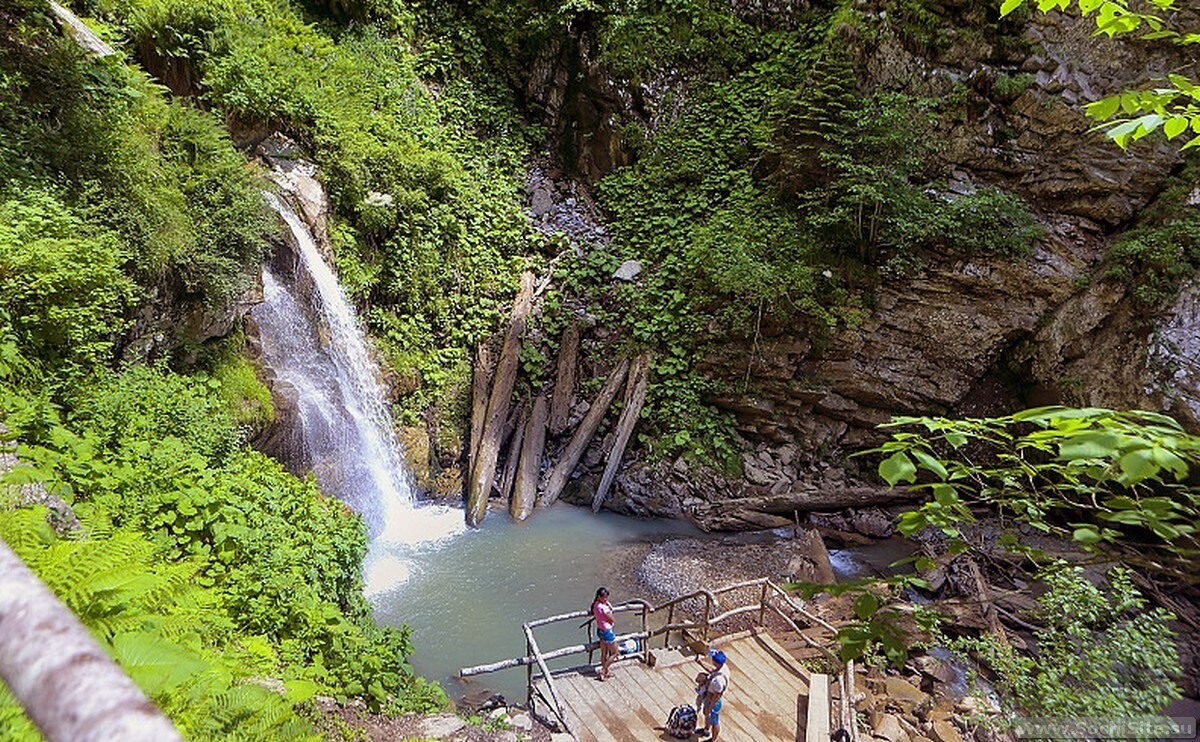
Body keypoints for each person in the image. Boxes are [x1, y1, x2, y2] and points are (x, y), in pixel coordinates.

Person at [695, 649, 730, 740]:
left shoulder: (718, 681)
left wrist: (710, 708)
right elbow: (712, 670)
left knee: (714, 721)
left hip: (713, 701)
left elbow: (716, 696)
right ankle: (706, 730)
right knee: (707, 716)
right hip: (709, 698)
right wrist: (700, 662)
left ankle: (713, 739)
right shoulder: (723, 667)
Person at [591, 587, 617, 680]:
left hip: (600, 630)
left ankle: (606, 672)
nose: (606, 599)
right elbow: (612, 618)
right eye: (604, 597)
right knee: (615, 653)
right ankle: (603, 670)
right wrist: (609, 608)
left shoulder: (595, 605)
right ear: (599, 596)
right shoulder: (604, 608)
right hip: (607, 631)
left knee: (604, 653)